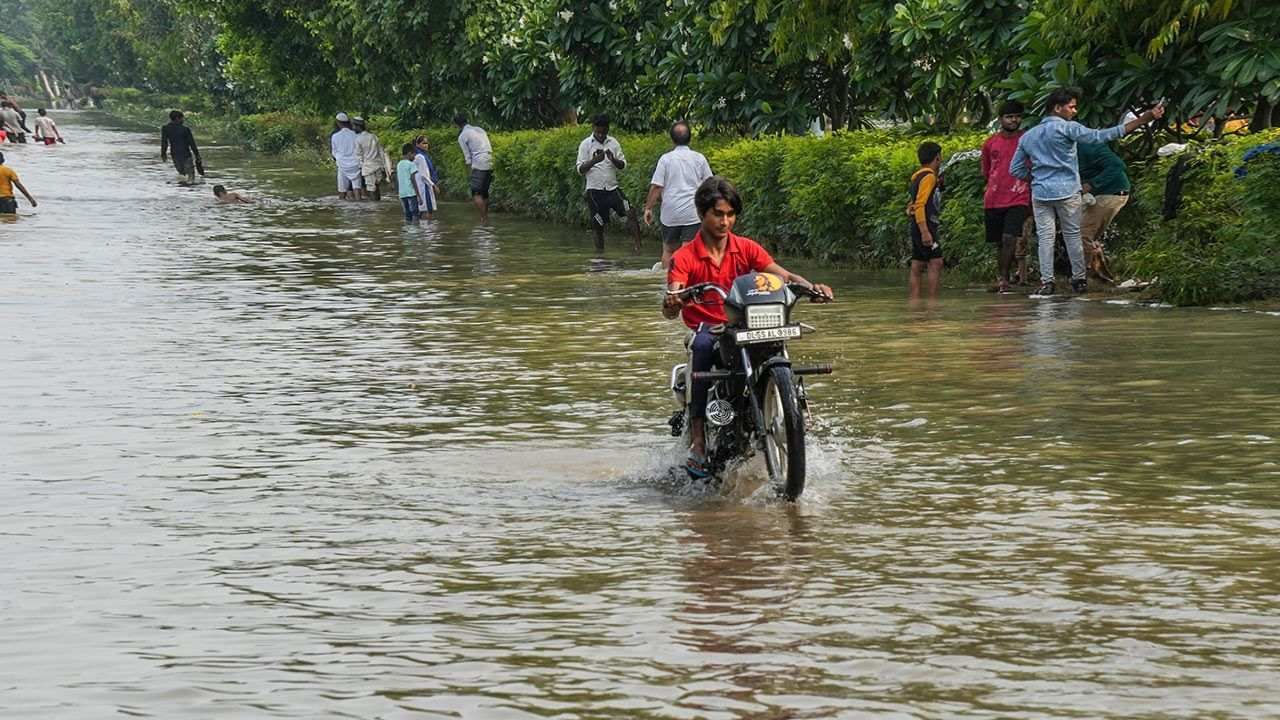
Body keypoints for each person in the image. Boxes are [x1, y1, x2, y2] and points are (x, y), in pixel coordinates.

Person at [663, 176, 833, 479]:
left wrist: (812, 288)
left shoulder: (747, 248)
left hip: (747, 322)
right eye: (718, 214)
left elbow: (784, 276)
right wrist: (674, 300)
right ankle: (699, 438)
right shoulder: (684, 256)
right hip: (708, 328)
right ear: (703, 214)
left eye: (730, 214)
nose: (724, 221)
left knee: (777, 338)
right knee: (702, 347)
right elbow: (673, 295)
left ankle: (798, 414)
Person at [1010, 87, 1164, 296]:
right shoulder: (1068, 129)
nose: (1074, 111)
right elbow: (1102, 136)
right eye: (1071, 107)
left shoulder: (1028, 136)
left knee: (1045, 238)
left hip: (1041, 193)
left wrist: (1036, 178)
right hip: (1067, 191)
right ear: (1058, 108)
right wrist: (1144, 118)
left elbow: (1015, 169)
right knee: (1073, 236)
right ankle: (1079, 280)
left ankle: (1047, 282)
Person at [645, 120, 714, 269]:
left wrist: (648, 208)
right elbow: (710, 184)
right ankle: (686, 281)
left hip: (670, 212)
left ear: (672, 139)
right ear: (690, 138)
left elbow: (657, 186)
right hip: (692, 212)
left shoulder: (666, 159)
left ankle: (667, 282)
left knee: (668, 250)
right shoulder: (699, 158)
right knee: (688, 249)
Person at [981, 100, 1031, 293]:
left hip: (1019, 196)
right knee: (999, 242)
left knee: (1010, 237)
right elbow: (986, 170)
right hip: (993, 198)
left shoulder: (1027, 139)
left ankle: (1004, 280)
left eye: (1017, 116)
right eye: (1009, 117)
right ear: (1001, 119)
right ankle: (1003, 277)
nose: (1014, 120)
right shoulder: (990, 143)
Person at [576, 113, 640, 253]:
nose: (600, 135)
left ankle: (637, 248)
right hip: (594, 192)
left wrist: (613, 159)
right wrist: (594, 161)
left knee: (630, 211)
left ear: (607, 129)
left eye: (603, 132)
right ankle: (600, 256)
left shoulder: (613, 143)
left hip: (612, 190)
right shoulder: (585, 144)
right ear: (593, 128)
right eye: (598, 132)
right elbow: (580, 169)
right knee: (598, 223)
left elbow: (622, 165)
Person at [1077, 141, 1131, 282]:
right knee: (1089, 236)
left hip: (1110, 193)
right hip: (1102, 194)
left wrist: (1092, 184)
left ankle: (1083, 278)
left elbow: (1117, 165)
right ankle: (1100, 275)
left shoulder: (1089, 146)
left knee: (1083, 234)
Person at [907, 142, 944, 300]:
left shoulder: (917, 177)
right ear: (937, 157)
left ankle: (914, 302)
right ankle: (932, 304)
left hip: (916, 224)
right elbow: (920, 204)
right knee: (936, 262)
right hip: (925, 226)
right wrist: (925, 232)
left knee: (917, 264)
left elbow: (912, 205)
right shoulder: (928, 177)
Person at [454, 113, 493, 222]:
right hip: (490, 161)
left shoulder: (462, 136)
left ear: (457, 125)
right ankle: (486, 217)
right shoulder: (479, 129)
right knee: (484, 193)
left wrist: (469, 173)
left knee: (476, 193)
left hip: (479, 164)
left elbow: (468, 158)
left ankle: (483, 219)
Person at [160, 110, 204, 185]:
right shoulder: (185, 129)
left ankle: (183, 190)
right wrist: (197, 155)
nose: (183, 120)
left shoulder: (165, 128)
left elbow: (164, 143)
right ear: (177, 118)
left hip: (175, 155)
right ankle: (190, 191)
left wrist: (163, 154)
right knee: (190, 177)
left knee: (182, 174)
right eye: (182, 118)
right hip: (186, 154)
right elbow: (192, 143)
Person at [352, 117, 390, 201]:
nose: (353, 128)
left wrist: (361, 166)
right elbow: (381, 152)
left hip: (368, 167)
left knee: (371, 188)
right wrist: (384, 167)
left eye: (354, 126)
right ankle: (379, 206)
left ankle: (374, 208)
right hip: (377, 165)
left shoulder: (358, 139)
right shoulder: (373, 136)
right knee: (377, 186)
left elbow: (359, 156)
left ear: (358, 126)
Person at [330, 112, 362, 200]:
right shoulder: (355, 135)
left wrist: (339, 159)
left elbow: (334, 152)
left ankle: (342, 210)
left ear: (338, 122)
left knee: (342, 190)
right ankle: (360, 208)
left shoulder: (335, 136)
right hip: (355, 164)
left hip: (342, 165)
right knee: (357, 187)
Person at [412, 135, 440, 220]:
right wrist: (433, 185)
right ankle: (427, 231)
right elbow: (423, 175)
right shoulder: (420, 157)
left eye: (427, 143)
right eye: (423, 143)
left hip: (423, 185)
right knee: (427, 210)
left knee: (423, 210)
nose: (426, 145)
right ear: (417, 144)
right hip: (424, 186)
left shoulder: (420, 155)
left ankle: (423, 230)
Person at [395, 143, 424, 223]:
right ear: (409, 153)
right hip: (411, 193)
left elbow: (398, 179)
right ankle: (416, 231)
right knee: (415, 214)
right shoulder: (411, 164)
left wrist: (398, 192)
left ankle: (408, 231)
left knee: (407, 215)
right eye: (414, 155)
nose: (414, 157)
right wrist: (418, 196)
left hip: (402, 194)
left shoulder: (399, 164)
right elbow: (413, 180)